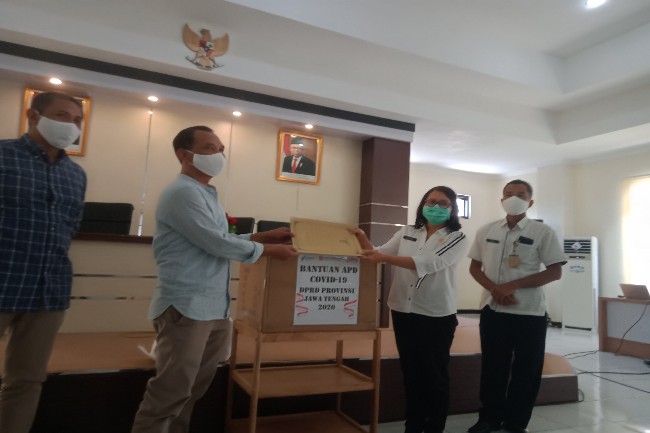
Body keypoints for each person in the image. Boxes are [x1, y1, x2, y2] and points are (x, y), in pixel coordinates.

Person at [131, 126, 298, 433]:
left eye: (221, 149)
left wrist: (261, 237)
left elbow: (219, 239)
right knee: (170, 392)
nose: (219, 155)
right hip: (186, 306)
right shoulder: (182, 193)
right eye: (209, 148)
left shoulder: (205, 194)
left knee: (192, 389)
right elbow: (215, 243)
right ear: (184, 155)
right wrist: (268, 250)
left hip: (213, 307)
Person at [0, 92, 87, 433]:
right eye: (62, 115)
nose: (71, 125)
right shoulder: (4, 156)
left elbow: (70, 226)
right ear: (33, 116)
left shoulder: (75, 175)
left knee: (27, 379)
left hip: (48, 290)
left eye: (77, 120)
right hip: (5, 279)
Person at [352, 186, 468, 433]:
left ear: (452, 209)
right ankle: (413, 425)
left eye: (443, 203)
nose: (436, 207)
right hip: (403, 310)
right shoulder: (407, 231)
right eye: (431, 201)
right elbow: (379, 252)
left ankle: (434, 427)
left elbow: (430, 263)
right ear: (423, 204)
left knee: (434, 374)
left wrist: (384, 259)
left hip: (435, 315)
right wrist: (360, 236)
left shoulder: (457, 238)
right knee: (411, 372)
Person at [467, 180, 566, 433]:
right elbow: (474, 267)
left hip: (529, 313)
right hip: (493, 310)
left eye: (520, 195)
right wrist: (495, 289)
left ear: (530, 202)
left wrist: (513, 285)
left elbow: (554, 271)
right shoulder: (487, 230)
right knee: (493, 368)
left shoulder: (543, 232)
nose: (514, 198)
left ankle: (516, 424)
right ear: (502, 200)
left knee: (527, 372)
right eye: (509, 194)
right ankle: (488, 419)